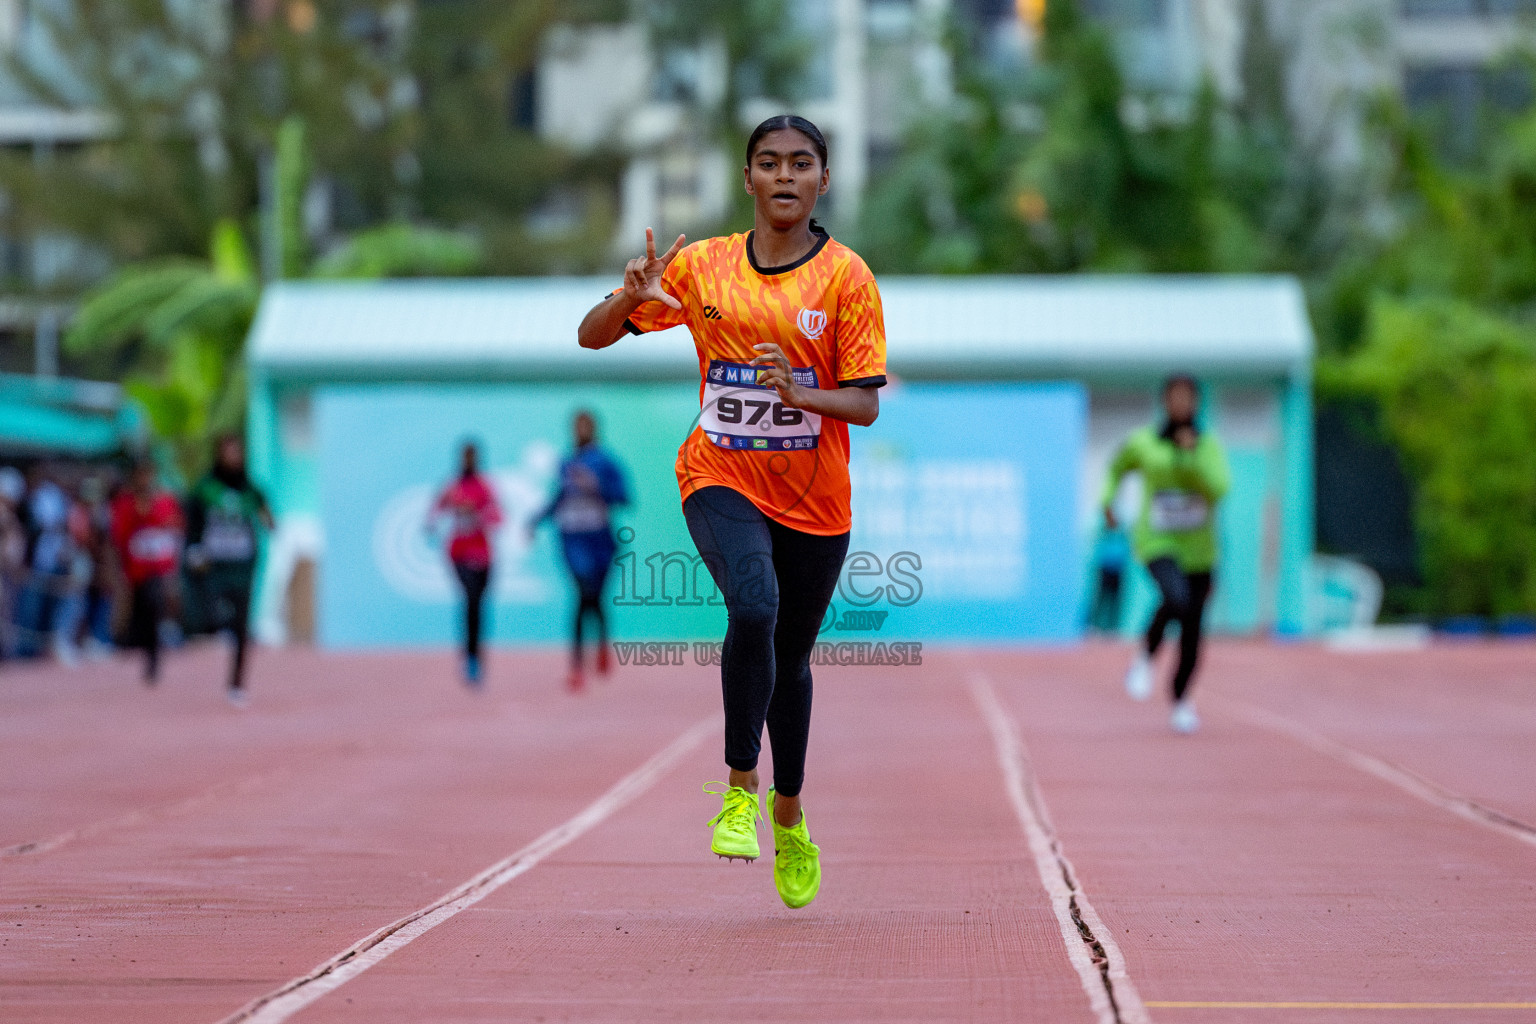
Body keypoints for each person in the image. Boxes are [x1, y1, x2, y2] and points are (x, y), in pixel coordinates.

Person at [576, 114, 886, 909]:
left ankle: (790, 814)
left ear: (823, 180)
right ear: (747, 178)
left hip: (817, 503)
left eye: (802, 163)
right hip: (719, 476)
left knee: (792, 655)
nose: (785, 176)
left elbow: (863, 404)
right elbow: (592, 337)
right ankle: (740, 787)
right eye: (770, 163)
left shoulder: (847, 278)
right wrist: (628, 294)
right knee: (754, 606)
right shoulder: (706, 267)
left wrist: (799, 393)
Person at [1102, 375, 1230, 734]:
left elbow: (1219, 489)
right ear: (1163, 402)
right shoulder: (1144, 443)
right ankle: (1145, 655)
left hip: (1200, 550)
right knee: (1176, 598)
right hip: (1157, 541)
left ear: (1197, 403)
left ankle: (1181, 701)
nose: (1180, 404)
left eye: (1187, 398)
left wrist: (1190, 459)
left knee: (1192, 629)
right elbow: (1116, 469)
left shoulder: (1207, 446)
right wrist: (1106, 502)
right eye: (1174, 397)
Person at [532, 410, 630, 693]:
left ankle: (601, 645)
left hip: (599, 539)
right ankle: (576, 667)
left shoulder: (607, 461)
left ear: (595, 428)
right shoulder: (566, 463)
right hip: (572, 539)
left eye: (585, 425)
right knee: (582, 594)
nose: (580, 430)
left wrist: (596, 487)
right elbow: (559, 498)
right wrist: (535, 521)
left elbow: (624, 497)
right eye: (576, 426)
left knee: (596, 598)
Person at [185, 436, 274, 707]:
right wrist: (194, 549)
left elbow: (268, 518)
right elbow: (192, 520)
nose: (234, 457)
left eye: (239, 451)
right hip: (214, 563)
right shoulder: (205, 488)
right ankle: (217, 628)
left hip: (243, 565)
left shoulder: (250, 488)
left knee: (242, 626)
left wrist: (268, 520)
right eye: (229, 451)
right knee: (213, 614)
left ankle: (237, 682)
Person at [429, 441, 503, 686]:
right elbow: (434, 511)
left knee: (478, 606)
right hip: (459, 554)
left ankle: (476, 655)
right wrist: (432, 522)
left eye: (472, 456)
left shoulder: (484, 488)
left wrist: (477, 513)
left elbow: (498, 517)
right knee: (469, 600)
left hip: (482, 555)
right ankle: (469, 658)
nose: (468, 461)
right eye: (464, 456)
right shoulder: (452, 487)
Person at [110, 460, 184, 684]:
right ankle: (135, 643)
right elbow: (119, 535)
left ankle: (154, 655)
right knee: (139, 610)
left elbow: (175, 526)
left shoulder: (164, 501)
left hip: (159, 568)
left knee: (155, 605)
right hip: (135, 569)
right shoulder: (125, 503)